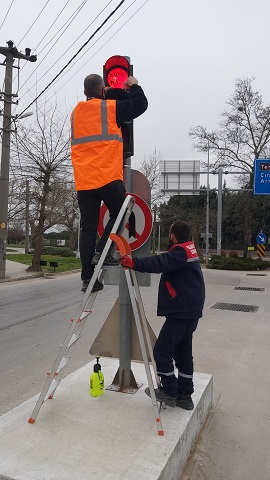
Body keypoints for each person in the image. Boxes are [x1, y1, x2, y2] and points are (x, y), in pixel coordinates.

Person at [70, 73, 148, 293]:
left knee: (88, 228)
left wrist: (110, 93)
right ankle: (103, 252)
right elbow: (140, 105)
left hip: (84, 181)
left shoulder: (76, 113)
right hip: (106, 176)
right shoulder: (109, 108)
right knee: (121, 213)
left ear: (85, 92)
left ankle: (88, 279)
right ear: (103, 91)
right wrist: (133, 86)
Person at [120, 220, 205, 410]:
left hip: (182, 311)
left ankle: (170, 391)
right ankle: (185, 395)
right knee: (183, 353)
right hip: (190, 311)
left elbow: (160, 262)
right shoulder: (189, 249)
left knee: (161, 351)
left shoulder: (180, 251)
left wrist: (134, 262)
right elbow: (165, 261)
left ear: (172, 235)